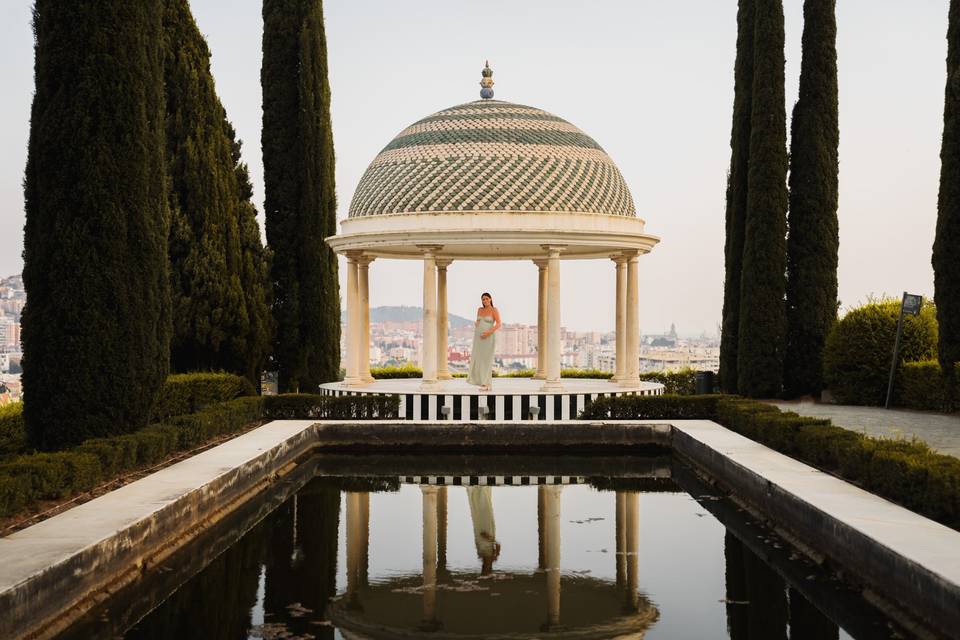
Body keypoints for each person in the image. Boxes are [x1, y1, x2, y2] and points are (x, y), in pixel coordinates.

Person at [467, 292, 501, 391]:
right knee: (478, 360)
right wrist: (477, 324)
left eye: (486, 298)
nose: (485, 300)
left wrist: (488, 333)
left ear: (490, 299)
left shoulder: (494, 310)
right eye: (483, 299)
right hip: (478, 338)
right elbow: (477, 322)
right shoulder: (479, 310)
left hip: (488, 338)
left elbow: (499, 324)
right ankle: (481, 382)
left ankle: (486, 384)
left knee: (487, 360)